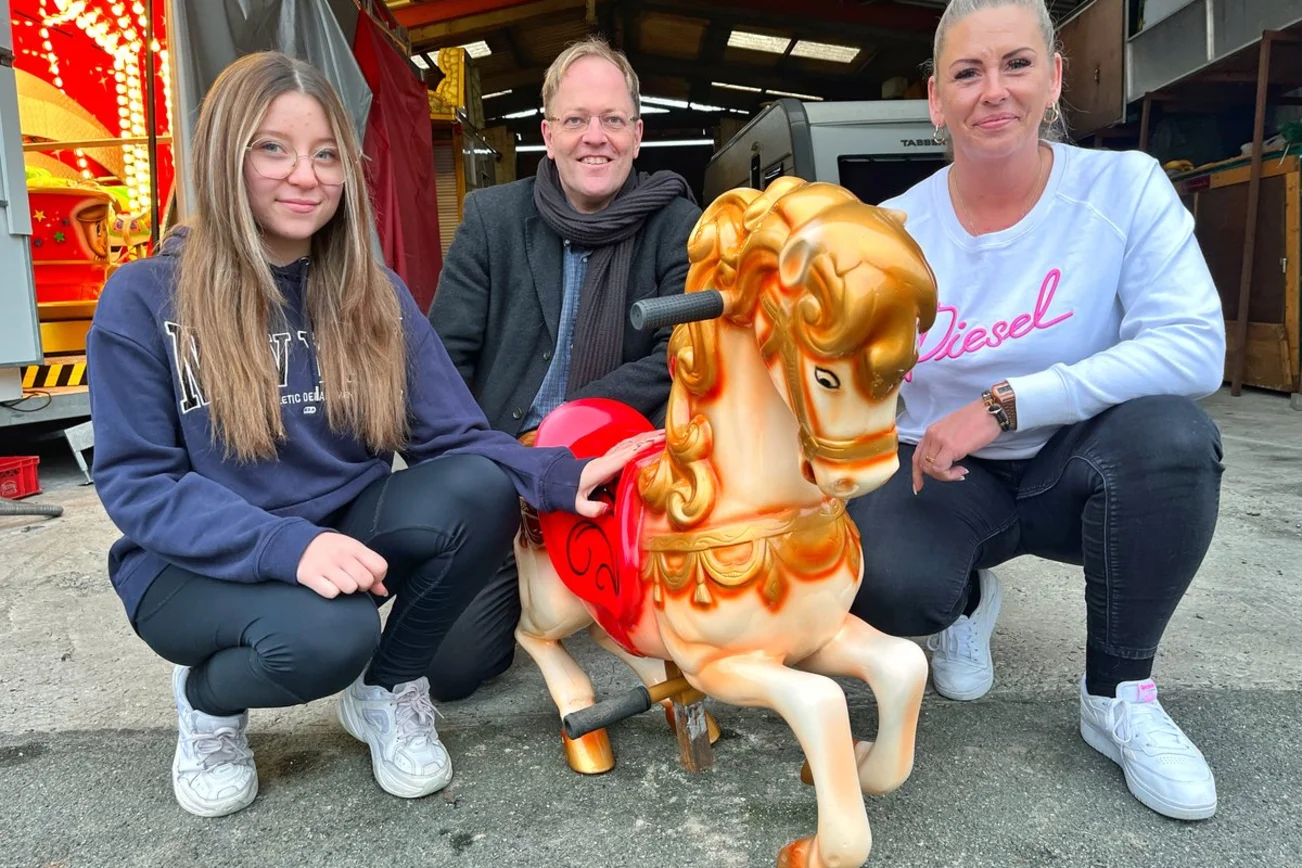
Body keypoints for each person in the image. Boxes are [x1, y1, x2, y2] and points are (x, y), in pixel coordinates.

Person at [85, 51, 644, 819]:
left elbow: (454, 436)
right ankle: (207, 702)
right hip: (190, 563)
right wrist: (291, 548)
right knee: (326, 639)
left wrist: (554, 476)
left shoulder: (371, 294)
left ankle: (386, 691)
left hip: (340, 527)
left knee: (479, 490)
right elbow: (138, 485)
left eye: (325, 155)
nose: (305, 176)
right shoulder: (144, 299)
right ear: (224, 157)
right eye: (272, 149)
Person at [846, 0, 1226, 821]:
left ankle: (1118, 694)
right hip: (940, 468)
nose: (995, 92)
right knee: (878, 579)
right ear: (935, 100)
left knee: (1175, 441)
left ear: (1054, 78)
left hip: (1079, 466)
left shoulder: (1124, 188)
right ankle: (967, 598)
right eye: (967, 72)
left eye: (1017, 64)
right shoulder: (890, 229)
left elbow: (1195, 347)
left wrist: (1008, 404)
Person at [425, 36, 701, 702]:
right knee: (451, 666)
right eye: (576, 120)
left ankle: (580, 591)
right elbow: (441, 363)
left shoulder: (676, 223)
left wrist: (565, 432)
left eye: (612, 120)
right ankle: (541, 601)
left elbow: (681, 355)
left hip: (624, 471)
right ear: (548, 135)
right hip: (506, 471)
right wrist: (503, 458)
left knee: (704, 625)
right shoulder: (493, 219)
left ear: (638, 136)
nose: (594, 137)